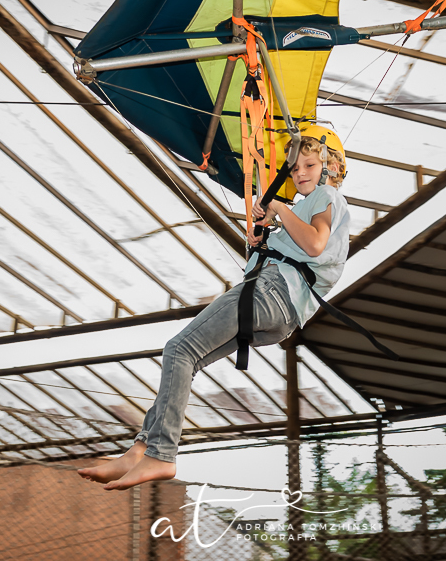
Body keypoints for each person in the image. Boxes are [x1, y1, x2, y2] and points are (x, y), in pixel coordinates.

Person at [77, 125, 350, 491]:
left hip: (271, 294)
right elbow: (303, 247)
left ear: (330, 167)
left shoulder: (325, 196)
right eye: (295, 166)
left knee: (180, 348)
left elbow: (315, 244)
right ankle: (140, 449)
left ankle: (160, 454)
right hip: (282, 315)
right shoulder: (310, 206)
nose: (300, 172)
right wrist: (264, 233)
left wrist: (281, 210)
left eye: (310, 165)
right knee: (188, 360)